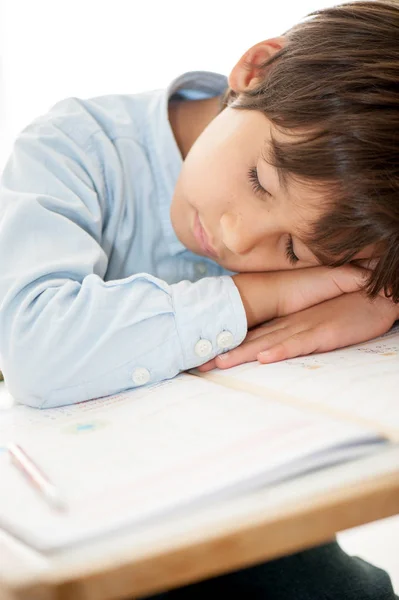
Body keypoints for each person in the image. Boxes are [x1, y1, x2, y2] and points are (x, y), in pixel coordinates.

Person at [0, 0, 398, 597]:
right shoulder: (75, 149)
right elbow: (35, 346)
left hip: (253, 513)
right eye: (259, 181)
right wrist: (265, 291)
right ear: (256, 71)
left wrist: (381, 296)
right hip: (82, 516)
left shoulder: (356, 218)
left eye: (291, 249)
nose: (238, 239)